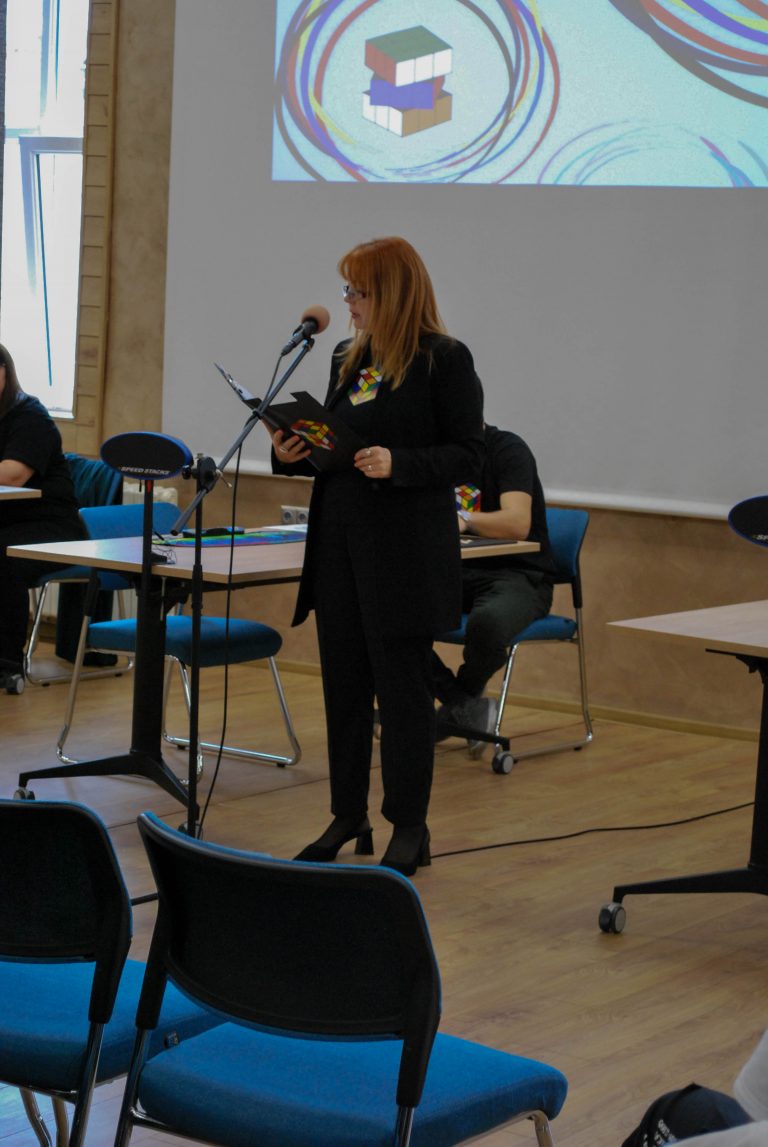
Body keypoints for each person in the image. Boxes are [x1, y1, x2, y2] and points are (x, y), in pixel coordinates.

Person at [268, 236, 484, 876]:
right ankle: (347, 814)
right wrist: (293, 454)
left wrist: (400, 463)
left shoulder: (444, 360)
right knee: (344, 689)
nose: (348, 302)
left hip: (404, 554)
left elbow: (469, 455)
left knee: (402, 696)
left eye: (357, 291)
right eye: (346, 290)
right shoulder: (347, 355)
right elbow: (338, 449)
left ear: (390, 293)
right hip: (339, 545)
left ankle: (409, 826)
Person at [431, 417, 555, 739]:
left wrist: (464, 518)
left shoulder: (508, 449)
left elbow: (517, 524)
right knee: (385, 613)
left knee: (489, 623)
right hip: (455, 571)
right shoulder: (436, 455)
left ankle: (458, 706)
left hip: (518, 574)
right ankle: (462, 704)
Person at [0, 343, 85, 691]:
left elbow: (12, 475)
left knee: (3, 553)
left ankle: (7, 664)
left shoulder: (30, 416)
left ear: (5, 373)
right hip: (12, 522)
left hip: (55, 526)